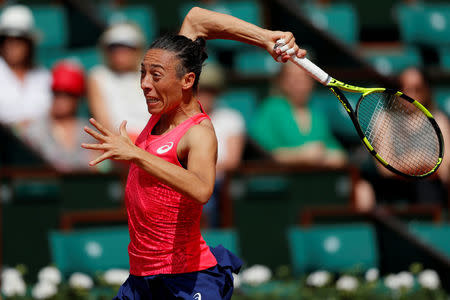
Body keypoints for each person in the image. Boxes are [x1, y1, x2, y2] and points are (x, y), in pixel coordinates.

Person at [82, 6, 306, 299]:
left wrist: (136, 155)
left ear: (187, 81)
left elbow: (201, 188)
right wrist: (264, 37)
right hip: (141, 280)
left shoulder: (198, 132)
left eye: (156, 76)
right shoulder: (163, 104)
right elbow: (197, 18)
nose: (145, 84)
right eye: (143, 73)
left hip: (185, 280)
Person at [369, 67, 450, 204]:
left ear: (426, 91)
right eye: (403, 88)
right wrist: (419, 162)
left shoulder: (438, 120)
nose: (409, 94)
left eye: (416, 89)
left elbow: (445, 167)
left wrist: (407, 163)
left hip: (431, 194)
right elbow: (384, 168)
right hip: (394, 194)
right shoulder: (385, 118)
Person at [251, 61, 347, 168]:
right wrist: (302, 156)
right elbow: (267, 154)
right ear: (282, 81)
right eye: (291, 77)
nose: (298, 82)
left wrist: (323, 156)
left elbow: (338, 155)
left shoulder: (317, 112)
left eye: (303, 76)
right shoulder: (271, 108)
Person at [19, 60, 97, 172]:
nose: (61, 100)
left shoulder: (88, 131)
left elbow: (100, 168)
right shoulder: (35, 129)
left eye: (69, 94)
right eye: (57, 93)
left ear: (78, 97)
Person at [198, 63, 246, 227]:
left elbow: (233, 161)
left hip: (218, 185)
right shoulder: (178, 120)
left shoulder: (231, 118)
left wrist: (199, 172)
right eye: (200, 89)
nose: (205, 95)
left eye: (210, 90)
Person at [87, 22, 149, 142]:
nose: (119, 52)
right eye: (114, 47)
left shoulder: (149, 75)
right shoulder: (98, 76)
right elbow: (104, 124)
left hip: (153, 142)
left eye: (126, 46)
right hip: (119, 145)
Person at [0, 5, 52, 126]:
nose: (11, 45)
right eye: (5, 39)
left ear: (29, 43)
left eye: (19, 39)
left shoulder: (43, 76)